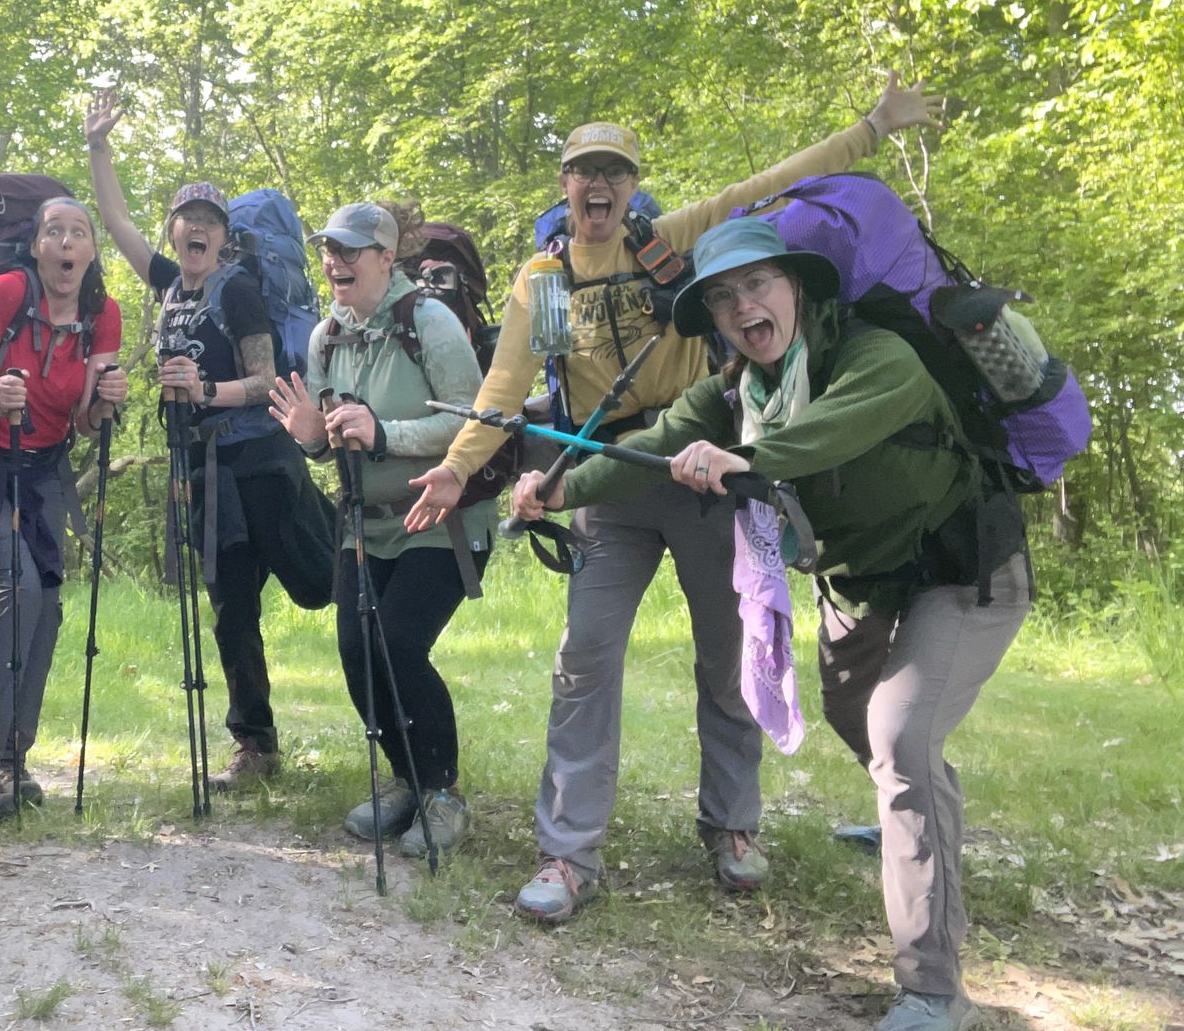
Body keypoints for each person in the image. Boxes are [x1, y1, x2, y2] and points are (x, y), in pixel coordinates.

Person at [405, 74, 946, 918]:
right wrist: (458, 466)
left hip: (703, 469)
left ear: (629, 185)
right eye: (586, 172)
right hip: (603, 478)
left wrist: (872, 128)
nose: (600, 186)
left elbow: (765, 186)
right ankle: (567, 853)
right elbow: (505, 387)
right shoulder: (545, 280)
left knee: (727, 655)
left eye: (615, 172)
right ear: (566, 185)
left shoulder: (670, 244)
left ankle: (733, 826)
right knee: (585, 660)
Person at [514, 217, 1028, 1031]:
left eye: (757, 285)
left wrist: (747, 459)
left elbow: (835, 430)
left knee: (901, 741)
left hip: (962, 570)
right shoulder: (731, 392)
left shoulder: (877, 356)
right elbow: (652, 442)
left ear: (797, 289)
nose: (742, 306)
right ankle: (918, 811)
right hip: (861, 584)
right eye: (722, 297)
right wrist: (560, 489)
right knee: (855, 717)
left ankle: (935, 991)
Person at [83, 90, 335, 791]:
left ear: (224, 237)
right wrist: (99, 147)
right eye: (186, 218)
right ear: (174, 233)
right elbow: (116, 221)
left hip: (263, 461)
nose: (195, 228)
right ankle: (254, 744)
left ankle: (383, 645)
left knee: (323, 583)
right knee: (231, 609)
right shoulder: (169, 286)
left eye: (209, 221)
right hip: (205, 471)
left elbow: (267, 381)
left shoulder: (238, 290)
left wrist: (204, 392)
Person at [268, 200, 492, 858]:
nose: (334, 262)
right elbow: (329, 439)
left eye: (349, 251)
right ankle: (408, 778)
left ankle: (443, 794)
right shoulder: (325, 338)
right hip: (364, 523)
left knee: (396, 642)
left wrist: (385, 432)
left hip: (443, 518)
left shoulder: (430, 322)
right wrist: (311, 439)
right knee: (355, 650)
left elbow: (476, 421)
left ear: (387, 259)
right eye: (328, 251)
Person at [0, 197, 126, 820]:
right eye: (54, 232)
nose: (66, 243)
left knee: (46, 604)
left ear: (91, 251)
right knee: (15, 591)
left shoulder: (103, 316)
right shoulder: (8, 291)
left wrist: (107, 402)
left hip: (41, 475)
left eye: (79, 233)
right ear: (37, 247)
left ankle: (10, 758)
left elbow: (86, 418)